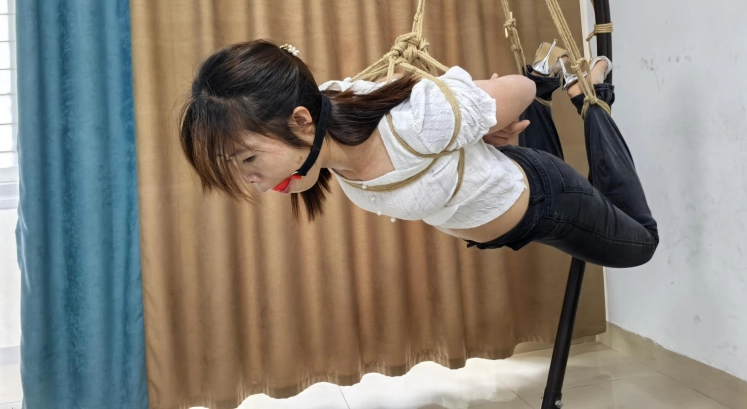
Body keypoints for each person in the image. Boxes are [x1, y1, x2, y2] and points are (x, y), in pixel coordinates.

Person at [179, 40, 658, 268]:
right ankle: (553, 80)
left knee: (641, 244)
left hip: (546, 203)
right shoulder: (330, 122)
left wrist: (486, 117)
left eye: (248, 159)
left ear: (301, 122)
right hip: (511, 202)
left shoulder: (415, 124)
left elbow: (518, 90)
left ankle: (589, 96)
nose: (250, 180)